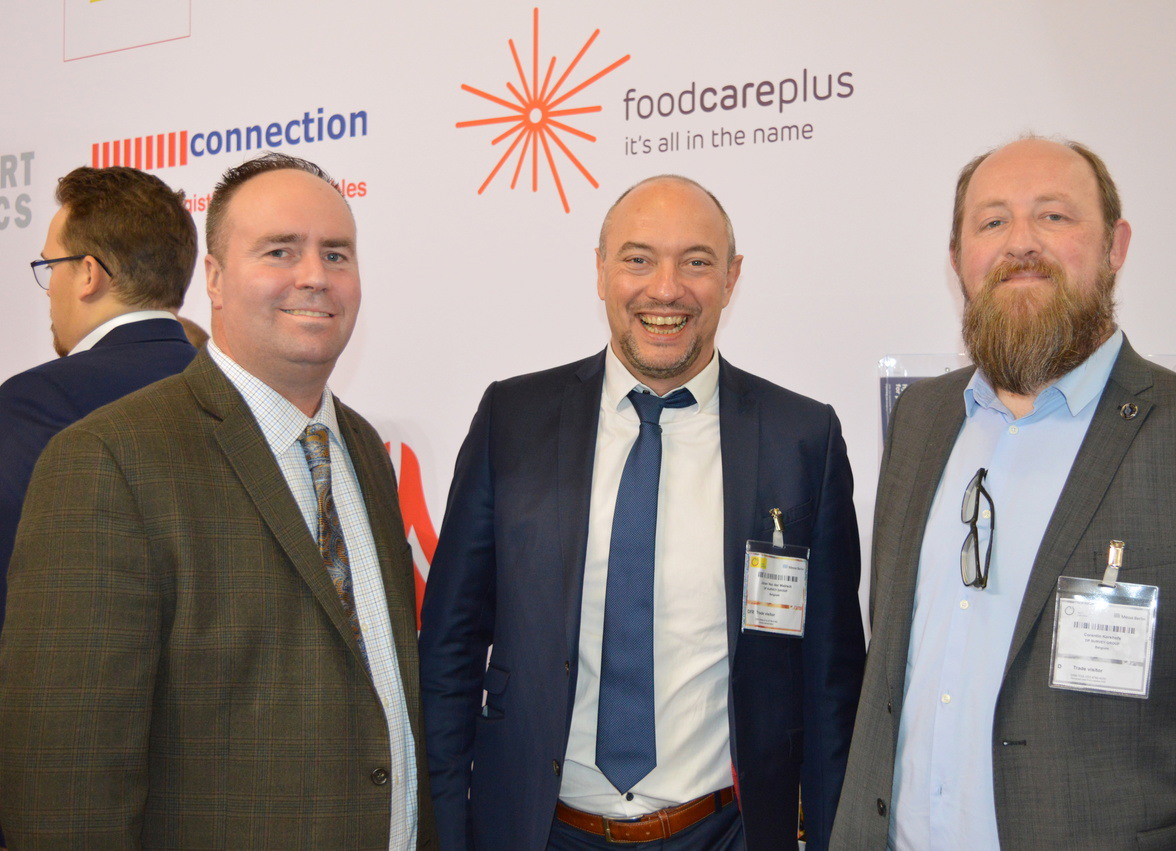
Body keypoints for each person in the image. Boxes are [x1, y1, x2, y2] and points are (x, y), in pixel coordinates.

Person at [833, 137, 1176, 848]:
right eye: (992, 222)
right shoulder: (919, 420)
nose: (1021, 243)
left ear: (1115, 246)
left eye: (1054, 216)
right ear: (958, 259)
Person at [0, 153, 433, 848]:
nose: (315, 275)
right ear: (215, 278)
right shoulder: (108, 460)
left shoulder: (365, 453)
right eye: (279, 250)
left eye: (336, 253)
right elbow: (67, 786)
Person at [419, 175, 864, 850]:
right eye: (638, 259)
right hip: (540, 832)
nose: (665, 289)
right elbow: (449, 653)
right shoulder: (513, 420)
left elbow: (832, 686)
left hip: (725, 832)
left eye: (696, 262)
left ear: (731, 277)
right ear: (601, 270)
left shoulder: (802, 438)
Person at [0, 165, 198, 629]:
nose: (49, 289)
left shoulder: (37, 401)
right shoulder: (238, 391)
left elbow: (15, 595)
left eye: (51, 267)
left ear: (88, 274)